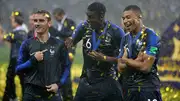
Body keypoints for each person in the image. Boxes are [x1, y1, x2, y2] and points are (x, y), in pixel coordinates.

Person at [65, 2, 125, 101]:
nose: (88, 20)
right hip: (86, 81)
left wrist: (104, 58)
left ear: (101, 16)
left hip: (108, 81)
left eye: (91, 17)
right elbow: (72, 41)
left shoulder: (116, 32)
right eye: (87, 16)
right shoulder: (84, 27)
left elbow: (123, 60)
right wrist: (69, 41)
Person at [16, 10, 70, 101]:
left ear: (49, 23)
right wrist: (33, 60)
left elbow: (67, 67)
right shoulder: (26, 44)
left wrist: (58, 84)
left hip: (53, 95)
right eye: (35, 20)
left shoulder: (59, 44)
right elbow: (18, 69)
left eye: (41, 20)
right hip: (31, 95)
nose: (37, 23)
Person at [118, 5, 162, 101]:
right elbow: (120, 67)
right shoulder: (125, 38)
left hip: (147, 89)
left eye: (128, 17)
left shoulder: (151, 37)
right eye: (123, 18)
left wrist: (126, 60)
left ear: (139, 17)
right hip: (127, 90)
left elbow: (146, 67)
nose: (125, 21)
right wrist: (136, 61)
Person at [0, 11, 27, 101]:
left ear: (16, 21)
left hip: (16, 59)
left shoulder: (19, 32)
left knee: (11, 79)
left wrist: (1, 32)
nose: (11, 22)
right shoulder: (21, 31)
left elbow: (4, 38)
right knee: (21, 80)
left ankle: (12, 97)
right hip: (21, 60)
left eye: (12, 20)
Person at [53, 7, 76, 101]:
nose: (55, 18)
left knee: (66, 74)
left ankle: (68, 96)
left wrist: (57, 33)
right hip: (61, 52)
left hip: (68, 51)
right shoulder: (60, 24)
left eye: (56, 16)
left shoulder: (69, 22)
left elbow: (71, 34)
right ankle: (63, 94)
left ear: (61, 15)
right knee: (61, 73)